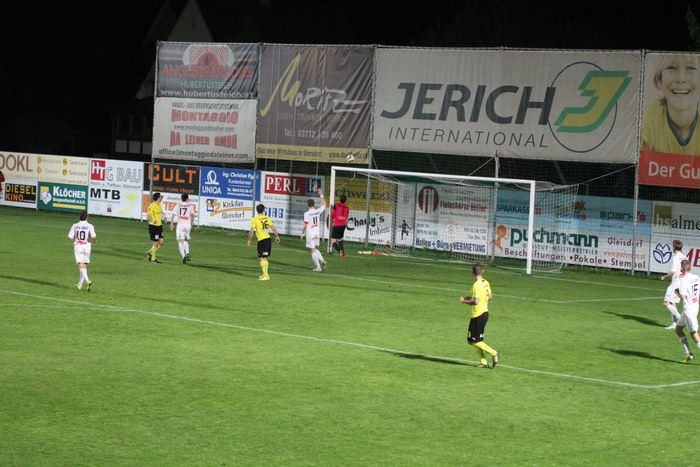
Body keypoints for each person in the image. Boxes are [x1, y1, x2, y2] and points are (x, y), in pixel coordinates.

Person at [641, 54, 700, 154]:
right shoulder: (648, 119)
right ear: (659, 81)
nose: (681, 78)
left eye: (691, 68)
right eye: (671, 68)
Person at [459, 264, 500, 368]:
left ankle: (494, 353)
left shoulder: (476, 285)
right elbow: (489, 296)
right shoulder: (486, 282)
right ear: (482, 272)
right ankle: (483, 362)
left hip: (478, 315)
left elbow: (475, 301)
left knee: (472, 340)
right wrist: (468, 298)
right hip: (484, 313)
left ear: (473, 273)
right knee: (477, 340)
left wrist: (464, 301)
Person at [674, 260, 700, 363]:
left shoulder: (684, 279)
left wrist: (676, 291)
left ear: (681, 268)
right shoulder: (697, 277)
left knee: (694, 333)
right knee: (678, 329)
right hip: (694, 306)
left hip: (689, 310)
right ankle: (688, 353)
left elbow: (682, 297)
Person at [247, 204, 280, 281]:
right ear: (263, 210)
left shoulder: (255, 219)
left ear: (256, 210)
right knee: (264, 258)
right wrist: (277, 236)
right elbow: (273, 228)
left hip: (262, 240)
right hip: (268, 239)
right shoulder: (266, 218)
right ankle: (265, 274)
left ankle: (266, 275)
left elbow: (251, 231)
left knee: (261, 258)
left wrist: (249, 240)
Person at [660, 240, 688, 329]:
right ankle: (674, 324)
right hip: (682, 282)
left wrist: (664, 277)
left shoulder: (676, 257)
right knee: (673, 303)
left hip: (676, 283)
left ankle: (681, 319)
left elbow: (673, 271)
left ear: (674, 247)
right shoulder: (685, 257)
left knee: (665, 303)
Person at [68, 210, 96, 291]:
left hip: (78, 245)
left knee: (80, 264)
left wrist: (75, 237)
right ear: (87, 217)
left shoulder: (75, 225)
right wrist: (94, 241)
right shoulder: (90, 226)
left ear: (79, 216)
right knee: (84, 265)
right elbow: (93, 236)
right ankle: (80, 284)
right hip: (87, 246)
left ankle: (87, 280)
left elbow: (70, 236)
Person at [301, 188, 327, 272]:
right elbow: (325, 204)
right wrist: (321, 194)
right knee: (314, 249)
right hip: (317, 233)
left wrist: (302, 234)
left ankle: (318, 267)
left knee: (312, 250)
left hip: (310, 234)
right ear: (314, 204)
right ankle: (322, 261)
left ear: (308, 205)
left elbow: (305, 225)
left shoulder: (307, 213)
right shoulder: (317, 211)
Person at [170, 193, 194, 264]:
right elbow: (193, 216)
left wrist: (171, 224)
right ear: (187, 199)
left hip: (180, 225)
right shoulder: (190, 205)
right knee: (185, 240)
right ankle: (187, 253)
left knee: (180, 241)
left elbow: (173, 215)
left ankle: (183, 256)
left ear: (181, 199)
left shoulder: (178, 205)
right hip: (187, 224)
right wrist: (191, 224)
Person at [146, 192, 166, 263]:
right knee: (156, 243)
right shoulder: (152, 205)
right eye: (160, 197)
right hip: (153, 227)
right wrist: (152, 220)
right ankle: (153, 259)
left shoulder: (159, 205)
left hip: (159, 226)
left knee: (161, 242)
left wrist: (164, 217)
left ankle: (149, 253)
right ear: (158, 198)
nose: (161, 198)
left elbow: (161, 212)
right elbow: (148, 216)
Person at [330, 194, 350, 260]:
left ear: (339, 199)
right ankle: (342, 254)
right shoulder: (347, 208)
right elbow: (346, 217)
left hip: (336, 225)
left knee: (333, 241)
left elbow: (332, 215)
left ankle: (340, 252)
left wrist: (333, 211)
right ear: (345, 201)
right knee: (339, 240)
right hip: (343, 225)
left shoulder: (336, 205)